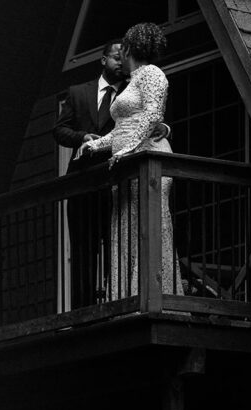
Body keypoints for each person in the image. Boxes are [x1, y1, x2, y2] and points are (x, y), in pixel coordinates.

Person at [80, 22, 178, 298]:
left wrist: (126, 152)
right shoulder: (133, 80)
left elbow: (151, 115)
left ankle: (152, 293)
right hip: (126, 165)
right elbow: (121, 129)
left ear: (129, 49)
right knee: (127, 227)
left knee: (148, 223)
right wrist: (96, 145)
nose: (119, 55)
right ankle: (127, 295)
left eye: (121, 49)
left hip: (146, 160)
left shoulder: (151, 74)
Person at [53, 41, 125, 307]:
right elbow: (60, 131)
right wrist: (82, 135)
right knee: (83, 246)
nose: (121, 62)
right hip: (81, 181)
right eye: (116, 57)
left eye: (124, 58)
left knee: (116, 245)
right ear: (103, 59)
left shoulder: (131, 92)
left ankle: (114, 302)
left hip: (115, 180)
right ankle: (82, 308)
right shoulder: (77, 93)